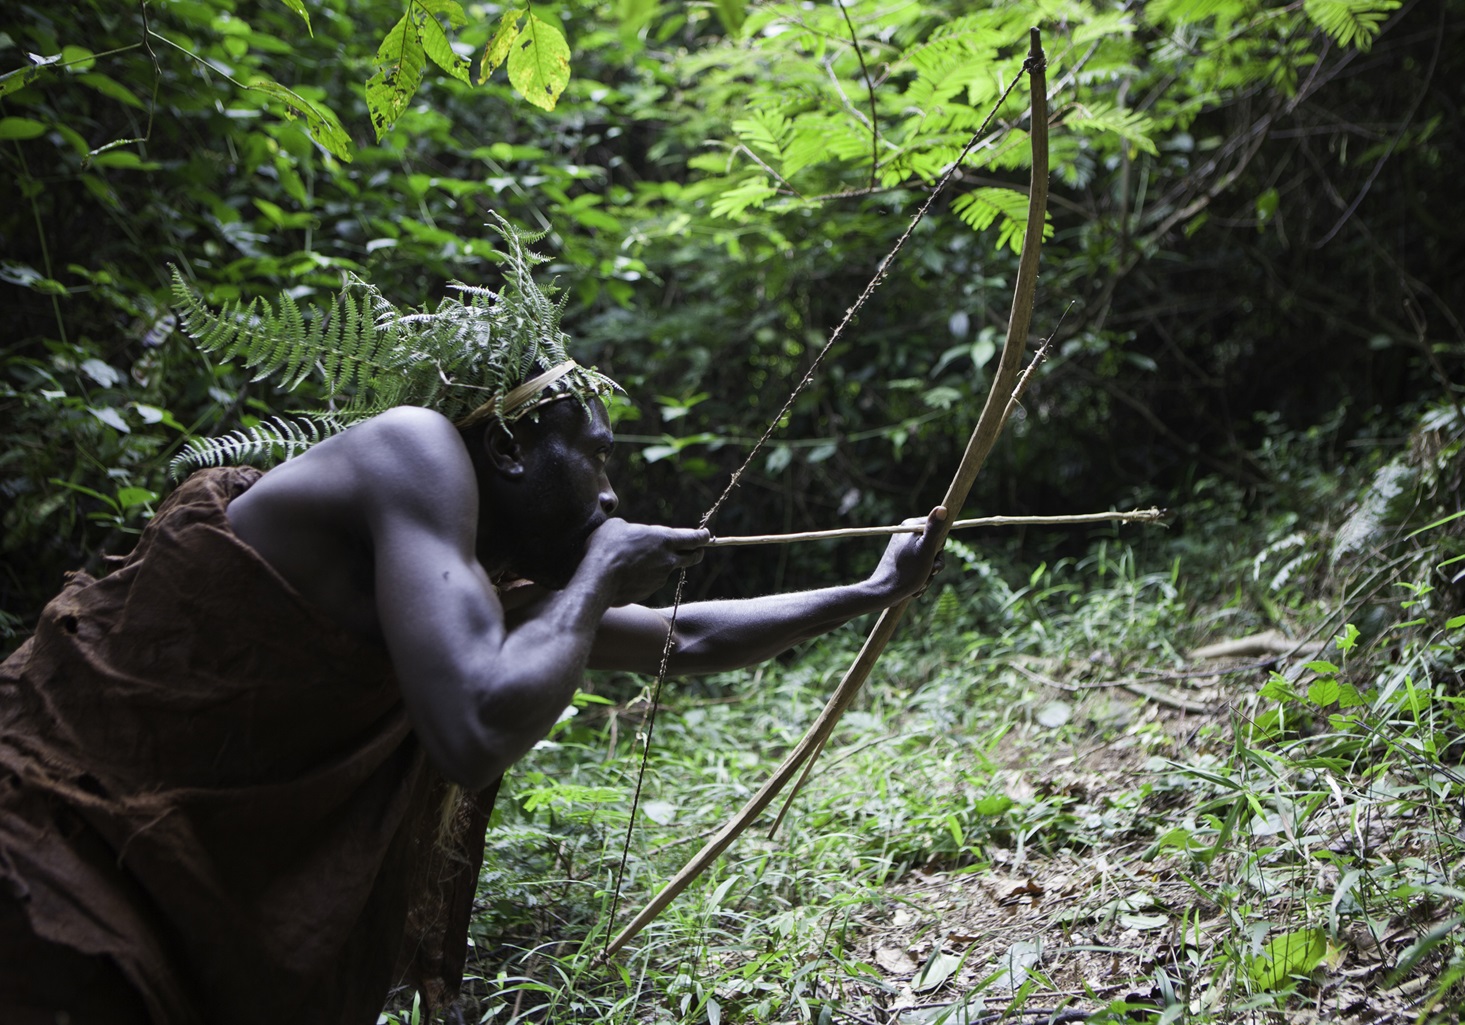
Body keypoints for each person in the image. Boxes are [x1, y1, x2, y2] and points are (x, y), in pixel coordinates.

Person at [0, 224, 947, 1024]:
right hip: (47, 844)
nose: (613, 491)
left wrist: (869, 590)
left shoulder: (462, 576)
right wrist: (603, 571)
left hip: (141, 885)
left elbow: (680, 638)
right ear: (508, 444)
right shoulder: (413, 448)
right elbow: (473, 728)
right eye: (597, 457)